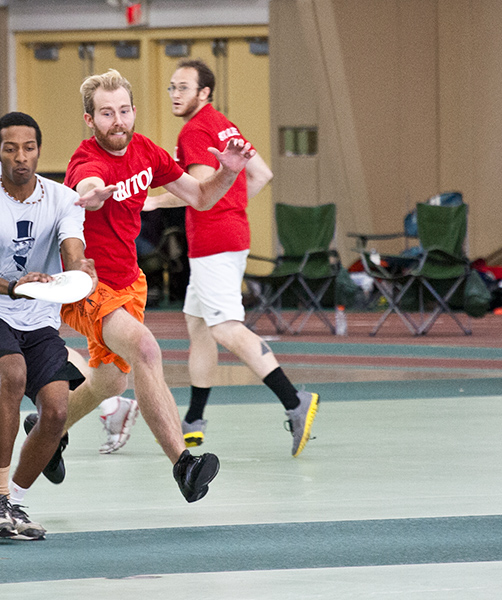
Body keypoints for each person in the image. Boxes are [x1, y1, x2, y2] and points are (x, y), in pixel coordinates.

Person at [59, 69, 256, 503]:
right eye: (107, 114)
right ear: (90, 120)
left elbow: (201, 197)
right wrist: (93, 192)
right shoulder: (84, 161)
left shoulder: (146, 150)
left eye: (125, 111)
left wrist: (228, 171)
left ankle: (48, 427)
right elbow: (88, 180)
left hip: (129, 283)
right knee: (147, 349)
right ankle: (184, 465)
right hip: (88, 285)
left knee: (110, 384)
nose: (119, 121)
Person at [145, 60, 319, 457]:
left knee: (225, 328)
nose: (175, 93)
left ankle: (294, 401)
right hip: (230, 235)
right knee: (199, 326)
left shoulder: (195, 130)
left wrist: (153, 203)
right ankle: (195, 419)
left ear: (204, 92)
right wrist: (232, 204)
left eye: (184, 87)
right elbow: (260, 175)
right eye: (172, 87)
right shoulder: (224, 124)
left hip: (214, 243)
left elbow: (198, 189)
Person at [0, 111, 93, 540]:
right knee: (12, 373)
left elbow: (73, 251)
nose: (20, 157)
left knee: (57, 409)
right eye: (10, 149)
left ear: (39, 151)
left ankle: (15, 500)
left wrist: (82, 271)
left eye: (28, 148)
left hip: (38, 314)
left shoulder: (62, 199)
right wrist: (14, 287)